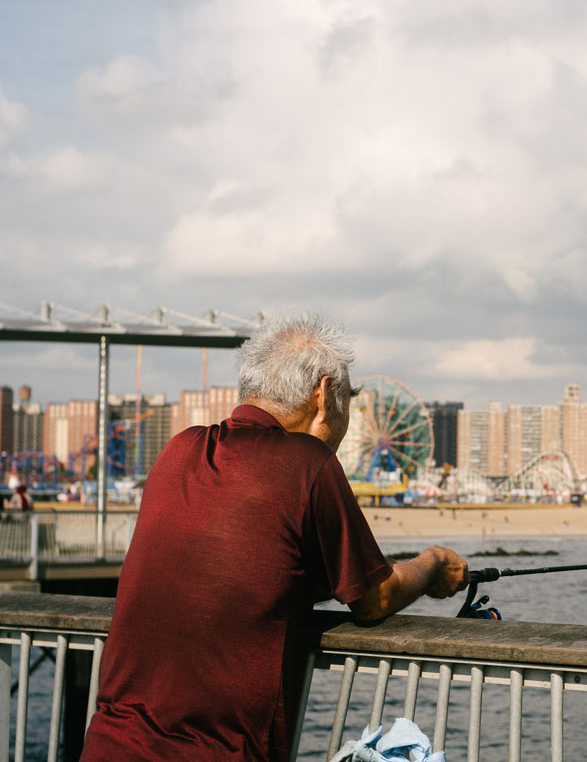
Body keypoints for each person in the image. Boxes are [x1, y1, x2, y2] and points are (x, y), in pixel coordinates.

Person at [81, 313, 470, 762]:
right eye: (347, 401)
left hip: (110, 743)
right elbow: (375, 598)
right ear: (323, 395)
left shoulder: (179, 449)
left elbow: (252, 567)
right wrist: (434, 563)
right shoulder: (309, 464)